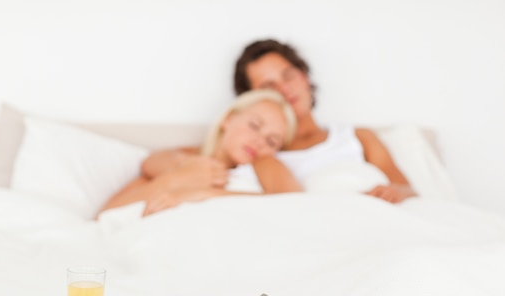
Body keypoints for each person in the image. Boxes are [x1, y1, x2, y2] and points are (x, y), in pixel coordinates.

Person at [233, 39, 416, 203]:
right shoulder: (256, 152)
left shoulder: (359, 137)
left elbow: (407, 189)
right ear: (253, 99)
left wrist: (393, 192)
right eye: (269, 86)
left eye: (288, 76)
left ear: (304, 77)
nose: (284, 89)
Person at [98, 89, 297, 216]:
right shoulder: (180, 161)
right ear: (228, 119)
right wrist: (176, 179)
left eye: (272, 142)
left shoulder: (264, 165)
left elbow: (297, 207)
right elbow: (106, 216)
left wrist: (203, 194)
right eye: (254, 125)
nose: (259, 141)